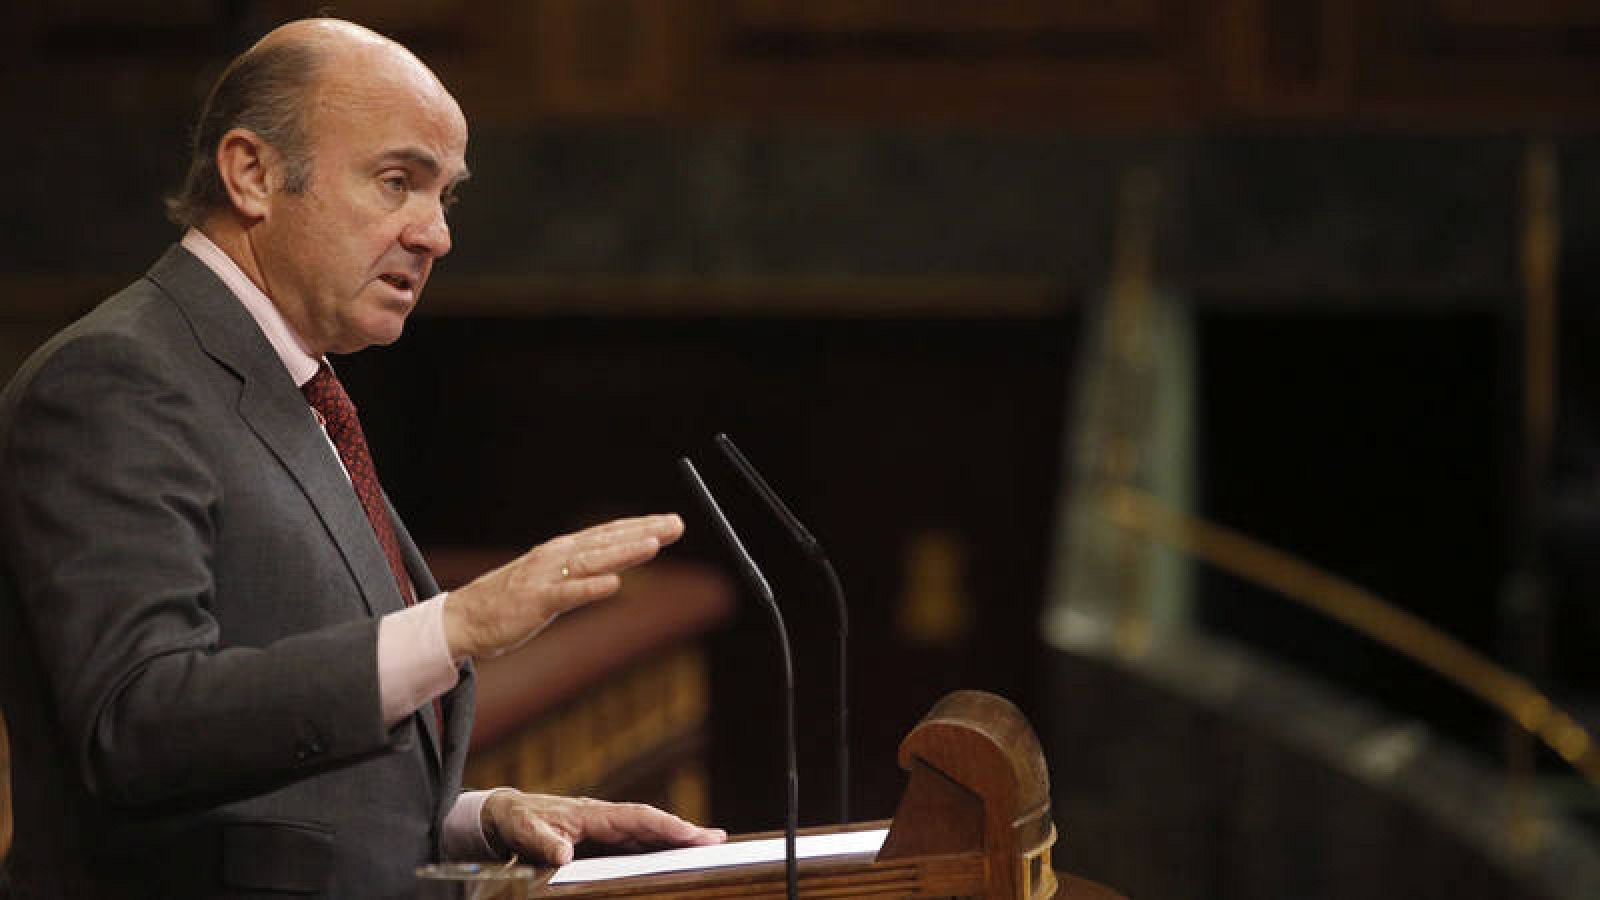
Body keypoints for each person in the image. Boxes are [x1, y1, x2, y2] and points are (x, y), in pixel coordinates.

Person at [0, 17, 723, 899]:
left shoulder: (292, 385)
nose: (436, 235)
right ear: (253, 173)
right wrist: (456, 626)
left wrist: (473, 816)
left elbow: (269, 769)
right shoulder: (117, 377)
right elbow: (137, 723)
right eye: (396, 182)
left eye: (445, 196)